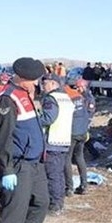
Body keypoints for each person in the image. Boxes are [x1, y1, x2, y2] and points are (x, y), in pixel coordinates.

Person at [0, 57, 49, 223]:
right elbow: (4, 137)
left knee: (41, 202)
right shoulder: (7, 99)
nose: (36, 83)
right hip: (18, 164)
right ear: (22, 78)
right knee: (13, 213)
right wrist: (6, 169)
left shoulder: (25, 94)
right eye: (33, 79)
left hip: (35, 163)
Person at [38, 73, 74, 215]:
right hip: (64, 140)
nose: (43, 86)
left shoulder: (51, 99)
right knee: (58, 174)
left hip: (52, 141)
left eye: (45, 83)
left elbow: (47, 118)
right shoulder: (66, 98)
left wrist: (34, 119)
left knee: (52, 174)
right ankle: (58, 202)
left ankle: (54, 205)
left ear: (53, 84)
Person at [64, 78, 96, 196]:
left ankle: (69, 187)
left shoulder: (85, 98)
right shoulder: (80, 97)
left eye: (78, 87)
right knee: (79, 157)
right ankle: (84, 185)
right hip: (82, 131)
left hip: (75, 131)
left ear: (83, 86)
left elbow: (89, 114)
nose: (76, 89)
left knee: (67, 158)